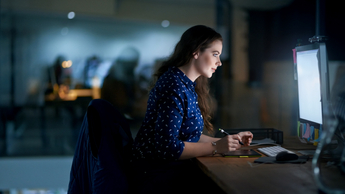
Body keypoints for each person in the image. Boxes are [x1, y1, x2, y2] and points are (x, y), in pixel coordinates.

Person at [129, 25, 253, 194]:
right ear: (196, 51)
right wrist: (216, 148)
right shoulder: (173, 86)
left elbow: (189, 136)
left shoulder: (186, 84)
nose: (220, 62)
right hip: (155, 174)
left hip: (169, 170)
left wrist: (229, 142)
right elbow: (168, 147)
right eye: (215, 54)